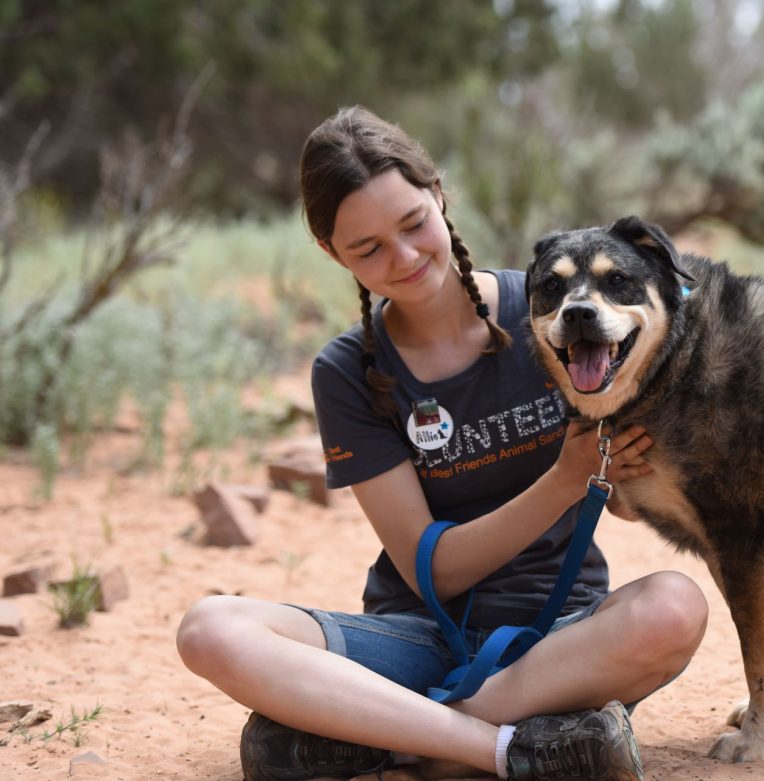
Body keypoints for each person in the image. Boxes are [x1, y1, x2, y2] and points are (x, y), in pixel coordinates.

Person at [176, 105, 708, 781]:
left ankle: (391, 737)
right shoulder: (346, 371)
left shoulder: (554, 314)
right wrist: (565, 480)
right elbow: (436, 572)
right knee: (210, 629)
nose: (403, 258)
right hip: (417, 637)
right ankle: (503, 749)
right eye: (367, 249)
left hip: (560, 642)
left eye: (412, 224)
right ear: (332, 254)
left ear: (438, 194)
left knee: (674, 606)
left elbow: (632, 499)